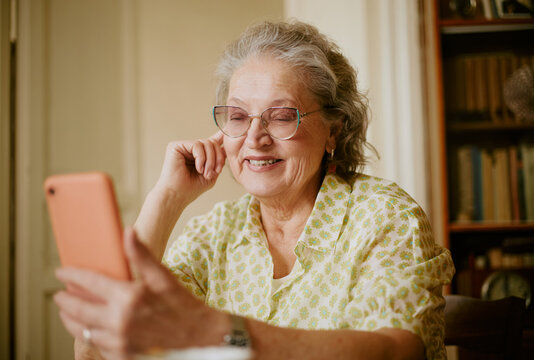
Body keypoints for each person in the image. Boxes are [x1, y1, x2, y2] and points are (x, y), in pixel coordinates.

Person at [54, 20, 455, 360]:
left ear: (334, 129)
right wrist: (167, 197)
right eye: (238, 116)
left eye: (281, 117)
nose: (255, 138)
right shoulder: (213, 234)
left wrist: (220, 331)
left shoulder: (384, 216)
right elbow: (94, 349)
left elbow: (394, 349)